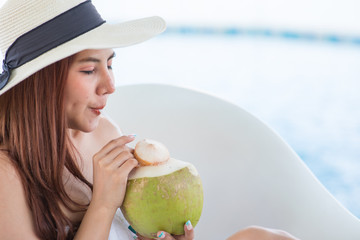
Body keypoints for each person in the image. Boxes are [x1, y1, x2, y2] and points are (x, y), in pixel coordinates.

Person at [0, 0, 299, 239]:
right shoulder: (5, 175)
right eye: (89, 70)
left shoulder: (104, 133)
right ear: (39, 83)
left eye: (110, 64)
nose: (110, 85)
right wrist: (103, 202)